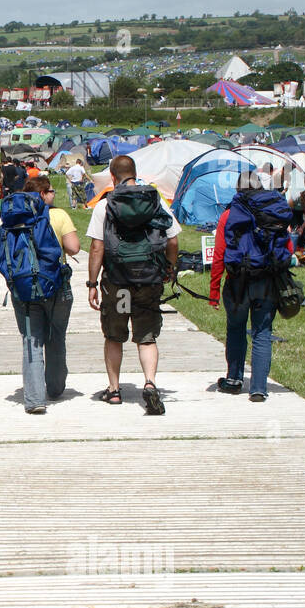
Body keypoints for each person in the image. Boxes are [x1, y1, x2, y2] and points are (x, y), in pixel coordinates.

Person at [86, 155, 180, 414]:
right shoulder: (156, 200)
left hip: (119, 283)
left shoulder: (104, 207)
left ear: (113, 178)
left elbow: (97, 248)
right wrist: (170, 269)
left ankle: (114, 390)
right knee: (146, 337)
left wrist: (92, 283)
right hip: (148, 280)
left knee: (114, 335)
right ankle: (149, 383)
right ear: (135, 173)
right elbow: (172, 241)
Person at [0, 177, 81, 413]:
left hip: (23, 288)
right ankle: (54, 388)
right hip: (56, 286)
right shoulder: (58, 215)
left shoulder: (12, 218)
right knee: (56, 336)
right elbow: (74, 247)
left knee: (31, 340)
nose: (54, 195)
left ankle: (34, 400)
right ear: (43, 194)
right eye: (51, 191)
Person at [209, 171, 294, 402]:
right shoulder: (274, 211)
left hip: (237, 282)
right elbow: (290, 249)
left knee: (236, 329)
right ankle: (258, 388)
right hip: (267, 280)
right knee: (262, 334)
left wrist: (214, 291)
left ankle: (235, 380)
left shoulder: (228, 215)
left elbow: (219, 255)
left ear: (237, 190)